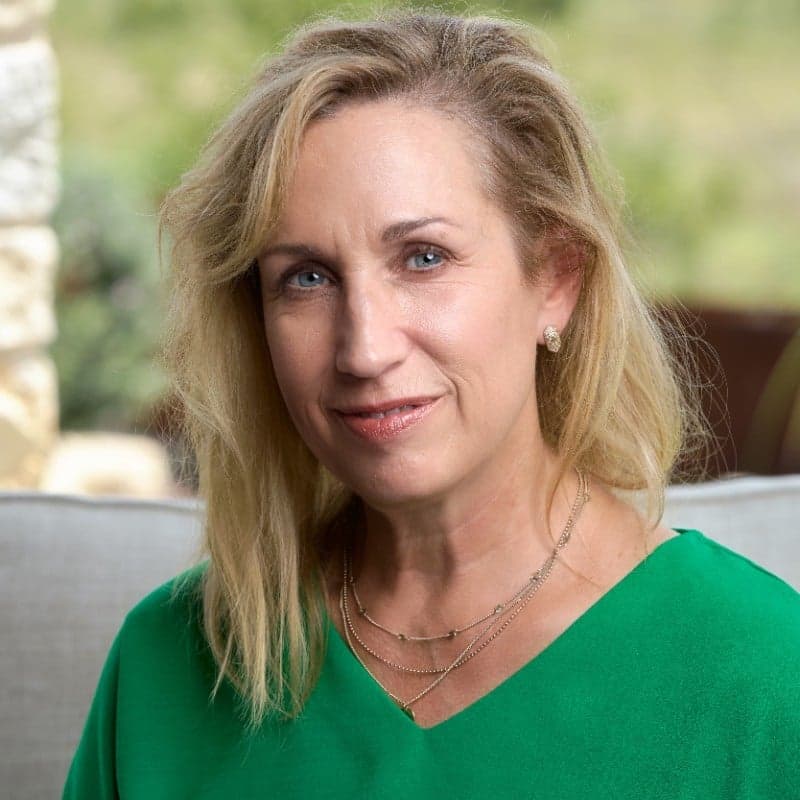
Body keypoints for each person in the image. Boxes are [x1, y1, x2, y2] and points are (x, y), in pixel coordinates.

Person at [63, 8, 800, 798]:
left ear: (556, 280)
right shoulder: (166, 662)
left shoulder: (759, 672)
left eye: (423, 257)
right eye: (306, 277)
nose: (365, 349)